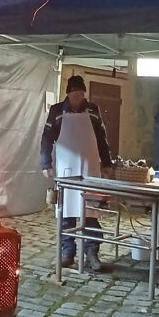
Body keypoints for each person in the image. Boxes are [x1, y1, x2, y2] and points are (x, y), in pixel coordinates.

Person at [40, 75, 113, 272]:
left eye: (80, 94)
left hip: (90, 168)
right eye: (74, 95)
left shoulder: (93, 110)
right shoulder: (57, 111)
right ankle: (68, 252)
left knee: (91, 211)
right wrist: (46, 163)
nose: (78, 98)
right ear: (68, 94)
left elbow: (102, 138)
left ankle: (92, 252)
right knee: (67, 212)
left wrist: (107, 162)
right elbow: (47, 138)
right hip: (67, 169)